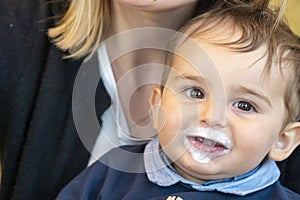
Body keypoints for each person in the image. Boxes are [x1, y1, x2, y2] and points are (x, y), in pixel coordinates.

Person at [0, 0, 299, 199]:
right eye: (195, 93)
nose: (213, 116)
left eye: (245, 106)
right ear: (156, 107)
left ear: (284, 140)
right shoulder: (113, 172)